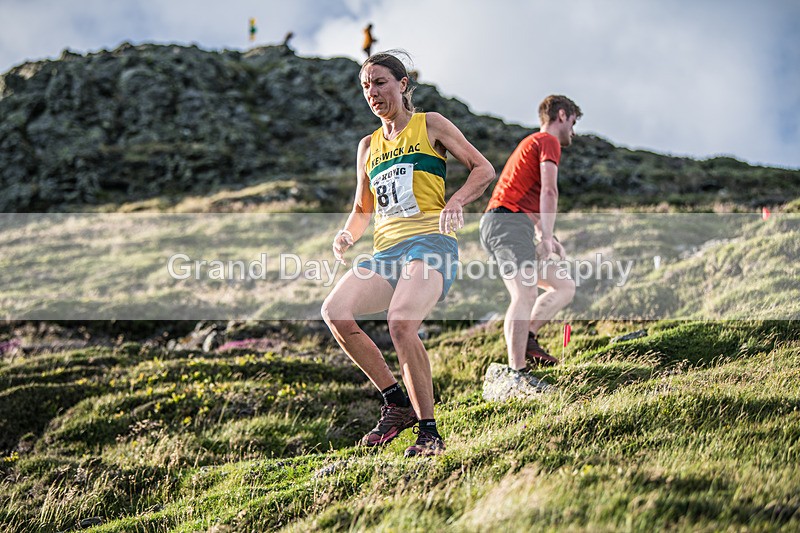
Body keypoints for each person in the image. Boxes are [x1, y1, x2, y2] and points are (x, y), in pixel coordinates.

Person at [321, 51, 495, 457]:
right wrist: (347, 235)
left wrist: (457, 201)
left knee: (401, 322)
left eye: (380, 82)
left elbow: (482, 168)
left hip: (431, 244)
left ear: (402, 85)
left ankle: (430, 433)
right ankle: (396, 404)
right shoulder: (368, 147)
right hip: (386, 253)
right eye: (366, 86)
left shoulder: (430, 124)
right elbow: (363, 209)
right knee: (335, 312)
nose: (373, 92)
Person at [479, 95, 582, 376]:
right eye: (573, 122)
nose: (573, 131)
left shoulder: (532, 144)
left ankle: (528, 339)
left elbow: (530, 201)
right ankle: (518, 372)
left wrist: (548, 235)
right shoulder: (547, 141)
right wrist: (546, 237)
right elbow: (550, 191)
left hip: (513, 223)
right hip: (506, 223)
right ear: (562, 115)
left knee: (563, 286)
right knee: (524, 293)